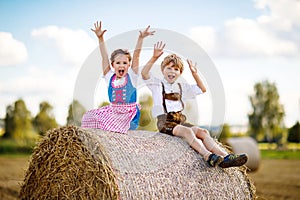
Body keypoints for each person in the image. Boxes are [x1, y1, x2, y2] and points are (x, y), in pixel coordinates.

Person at [141, 41, 248, 168]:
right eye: (169, 68)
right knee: (187, 132)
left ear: (180, 73)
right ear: (162, 70)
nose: (172, 71)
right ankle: (208, 155)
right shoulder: (157, 85)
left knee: (203, 132)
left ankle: (225, 157)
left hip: (179, 121)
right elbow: (144, 73)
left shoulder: (181, 87)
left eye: (176, 69)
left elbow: (202, 88)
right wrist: (154, 57)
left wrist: (194, 73)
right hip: (165, 123)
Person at [81, 21, 155, 133]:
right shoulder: (109, 76)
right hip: (113, 112)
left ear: (129, 65)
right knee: (88, 116)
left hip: (129, 115)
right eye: (118, 63)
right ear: (113, 65)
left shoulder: (132, 76)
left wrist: (140, 38)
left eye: (125, 63)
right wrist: (101, 38)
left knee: (115, 129)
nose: (121, 65)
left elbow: (136, 56)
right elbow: (104, 57)